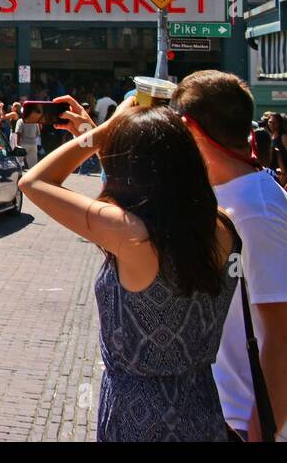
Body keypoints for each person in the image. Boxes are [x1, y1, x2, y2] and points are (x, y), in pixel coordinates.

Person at [18, 97, 238, 441]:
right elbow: (150, 197)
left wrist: (104, 132)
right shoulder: (220, 225)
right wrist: (104, 135)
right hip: (202, 407)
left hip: (136, 417)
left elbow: (34, 182)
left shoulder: (131, 235)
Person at [172, 71, 286, 441]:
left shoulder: (256, 211)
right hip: (216, 410)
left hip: (240, 424)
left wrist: (260, 430)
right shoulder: (223, 191)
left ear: (191, 129)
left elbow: (282, 335)